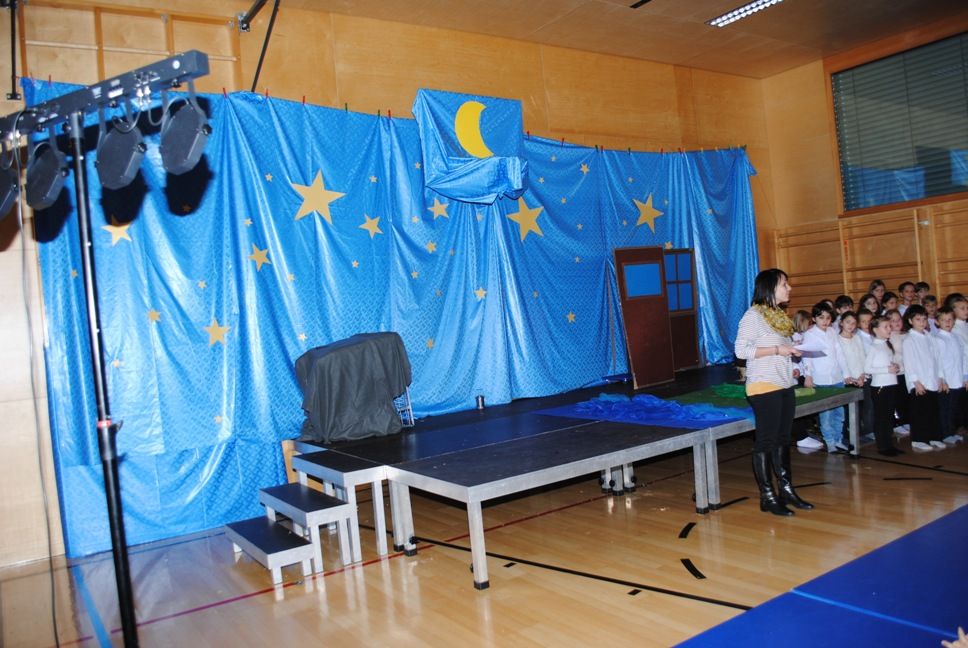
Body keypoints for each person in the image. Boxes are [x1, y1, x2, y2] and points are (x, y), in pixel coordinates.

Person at [734, 269, 810, 516]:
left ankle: (786, 490)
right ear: (769, 288)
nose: (789, 288)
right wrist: (777, 350)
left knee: (783, 439)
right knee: (766, 441)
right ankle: (767, 496)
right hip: (764, 386)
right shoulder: (752, 316)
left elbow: (781, 349)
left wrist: (793, 349)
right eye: (784, 284)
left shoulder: (779, 316)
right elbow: (741, 351)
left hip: (785, 384)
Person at [802, 301, 851, 453]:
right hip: (821, 379)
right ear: (814, 319)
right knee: (826, 414)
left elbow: (840, 353)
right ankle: (829, 442)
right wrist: (808, 376)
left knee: (839, 412)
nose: (825, 321)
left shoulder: (832, 332)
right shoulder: (809, 334)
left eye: (828, 318)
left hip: (836, 378)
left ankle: (838, 439)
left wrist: (846, 374)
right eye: (821, 317)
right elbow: (807, 357)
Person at [901, 305, 946, 451]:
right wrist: (916, 382)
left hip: (932, 380)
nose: (922, 322)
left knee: (933, 411)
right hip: (919, 382)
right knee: (920, 412)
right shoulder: (909, 340)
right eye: (918, 319)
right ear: (910, 321)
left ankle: (934, 436)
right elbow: (909, 363)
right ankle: (918, 439)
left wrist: (941, 378)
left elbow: (937, 359)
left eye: (924, 319)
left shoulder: (930, 337)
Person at [865, 315, 904, 456]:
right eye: (885, 327)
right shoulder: (873, 347)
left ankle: (889, 445)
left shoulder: (887, 345)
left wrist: (895, 366)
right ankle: (883, 446)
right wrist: (886, 370)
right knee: (882, 417)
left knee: (888, 417)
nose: (889, 329)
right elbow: (867, 368)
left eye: (889, 326)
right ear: (876, 330)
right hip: (881, 386)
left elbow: (887, 363)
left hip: (891, 384)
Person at [933, 307, 966, 445]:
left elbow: (962, 358)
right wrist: (942, 379)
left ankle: (951, 432)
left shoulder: (955, 337)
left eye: (950, 320)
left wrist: (964, 377)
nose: (947, 322)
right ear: (937, 322)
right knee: (945, 409)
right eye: (943, 320)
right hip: (946, 381)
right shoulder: (937, 339)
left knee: (953, 408)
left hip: (957, 379)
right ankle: (945, 434)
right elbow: (938, 361)